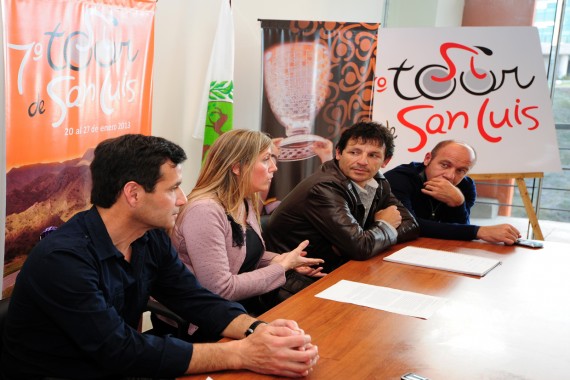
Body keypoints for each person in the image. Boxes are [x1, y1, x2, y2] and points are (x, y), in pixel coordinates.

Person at [0, 134, 319, 379]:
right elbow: (119, 349)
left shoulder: (149, 237)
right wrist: (243, 354)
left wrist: (259, 331)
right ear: (133, 194)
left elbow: (196, 299)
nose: (182, 200)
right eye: (172, 189)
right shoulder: (63, 259)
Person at [164, 129, 323, 328]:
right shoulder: (204, 211)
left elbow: (241, 255)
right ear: (237, 167)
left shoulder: (245, 200)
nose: (274, 168)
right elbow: (220, 289)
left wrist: (280, 259)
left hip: (240, 306)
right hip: (202, 320)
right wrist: (281, 267)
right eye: (266, 159)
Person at [263, 121, 420, 274]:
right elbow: (360, 248)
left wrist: (366, 238)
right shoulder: (324, 188)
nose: (362, 161)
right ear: (338, 153)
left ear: (385, 161)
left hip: (337, 267)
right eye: (354, 152)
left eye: (373, 155)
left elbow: (411, 225)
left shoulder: (378, 182)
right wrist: (384, 225)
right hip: (294, 275)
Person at [384, 139, 521, 244]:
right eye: (445, 165)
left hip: (439, 252)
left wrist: (458, 203)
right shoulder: (399, 179)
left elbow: (461, 230)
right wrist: (479, 231)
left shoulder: (465, 187)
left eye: (460, 170)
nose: (450, 176)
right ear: (427, 159)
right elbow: (411, 226)